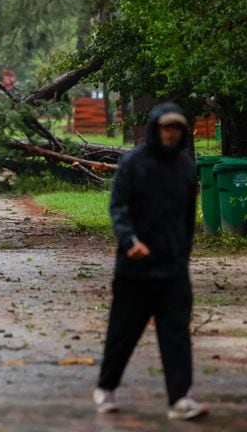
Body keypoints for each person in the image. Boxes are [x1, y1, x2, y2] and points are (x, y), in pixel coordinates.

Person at [93, 102, 209, 420]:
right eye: (165, 128)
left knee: (176, 334)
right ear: (154, 129)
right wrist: (130, 241)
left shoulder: (186, 168)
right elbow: (119, 208)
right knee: (124, 331)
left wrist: (183, 254)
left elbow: (187, 219)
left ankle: (180, 399)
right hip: (135, 268)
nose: (170, 134)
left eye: (176, 129)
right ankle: (106, 387)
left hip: (172, 269)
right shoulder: (133, 163)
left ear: (182, 132)